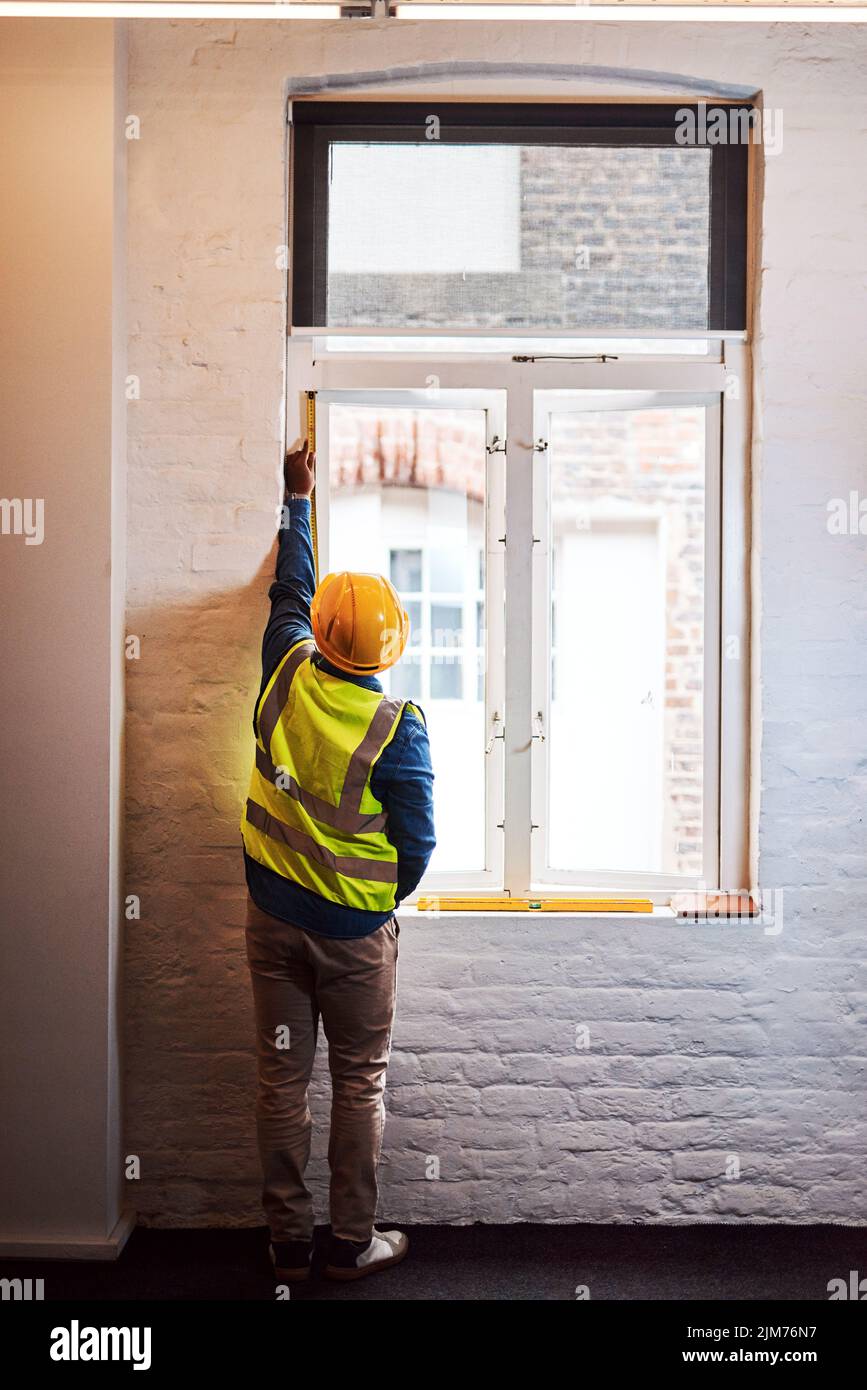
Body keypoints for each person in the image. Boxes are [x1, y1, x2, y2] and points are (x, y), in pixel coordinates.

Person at [240, 441, 436, 1284]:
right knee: (359, 1083)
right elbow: (420, 839)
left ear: (318, 636)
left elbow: (290, 588)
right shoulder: (397, 725)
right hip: (356, 937)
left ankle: (285, 1240)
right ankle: (349, 1245)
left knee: (281, 1080)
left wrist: (299, 499)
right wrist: (377, 903)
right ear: (386, 652)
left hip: (271, 920)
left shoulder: (284, 669)